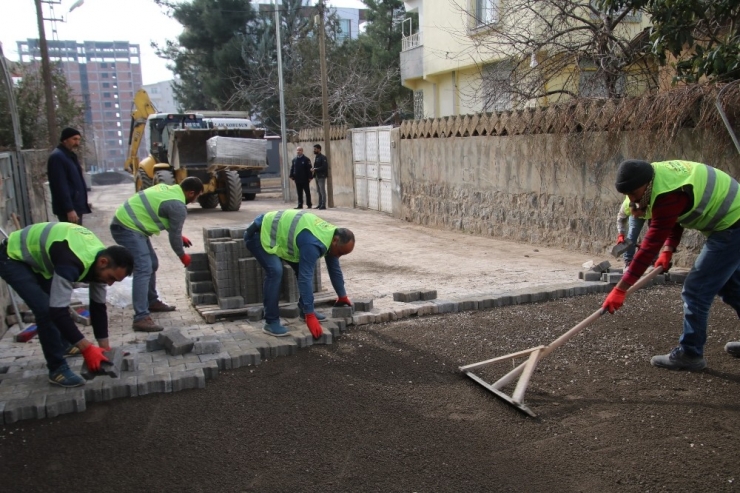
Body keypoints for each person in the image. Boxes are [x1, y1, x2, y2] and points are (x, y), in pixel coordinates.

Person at [602, 159, 740, 371]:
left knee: (696, 290)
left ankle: (690, 353)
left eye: (633, 192)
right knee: (731, 288)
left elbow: (649, 247)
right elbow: (676, 219)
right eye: (627, 194)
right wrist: (667, 250)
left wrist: (621, 288)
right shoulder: (658, 180)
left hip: (732, 226)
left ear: (645, 183)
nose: (631, 199)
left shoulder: (666, 194)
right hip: (731, 222)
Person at [0, 222, 133, 387]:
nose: (110, 284)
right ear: (103, 262)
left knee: (56, 303)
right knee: (46, 311)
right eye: (111, 278)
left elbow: (98, 307)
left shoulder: (100, 264)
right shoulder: (71, 261)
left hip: (42, 259)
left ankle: (65, 345)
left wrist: (105, 349)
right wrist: (86, 348)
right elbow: (57, 311)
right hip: (13, 257)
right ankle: (57, 369)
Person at [109, 177, 203, 332]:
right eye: (196, 196)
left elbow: (160, 212)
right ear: (191, 192)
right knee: (143, 267)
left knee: (152, 263)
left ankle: (151, 301)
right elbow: (173, 237)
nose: (194, 201)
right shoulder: (178, 205)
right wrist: (182, 255)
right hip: (127, 227)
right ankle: (141, 318)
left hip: (131, 224)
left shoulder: (169, 190)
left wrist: (178, 236)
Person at [244, 210, 355, 338]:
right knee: (275, 271)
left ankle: (303, 309)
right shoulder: (313, 242)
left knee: (304, 268)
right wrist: (310, 315)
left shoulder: (331, 237)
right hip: (258, 234)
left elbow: (334, 268)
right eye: (340, 252)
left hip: (278, 236)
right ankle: (271, 322)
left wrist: (342, 296)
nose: (338, 256)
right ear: (336, 240)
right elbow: (305, 278)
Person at [47, 127, 92, 225]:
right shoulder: (58, 157)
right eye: (74, 139)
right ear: (65, 140)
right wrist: (69, 209)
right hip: (70, 210)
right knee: (71, 238)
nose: (77, 143)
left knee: (76, 237)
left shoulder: (69, 156)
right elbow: (60, 186)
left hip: (76, 206)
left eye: (79, 139)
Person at [615, 197, 646, 268]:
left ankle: (653, 259)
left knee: (654, 238)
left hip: (651, 213)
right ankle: (628, 260)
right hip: (642, 211)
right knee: (632, 234)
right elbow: (621, 219)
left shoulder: (653, 206)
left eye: (636, 214)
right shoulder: (626, 205)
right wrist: (621, 234)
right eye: (633, 214)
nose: (634, 217)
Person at [312, 144, 328, 210]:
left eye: (315, 149)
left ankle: (323, 205)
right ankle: (320, 204)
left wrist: (316, 169)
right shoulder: (317, 157)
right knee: (318, 191)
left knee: (322, 191)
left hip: (321, 176)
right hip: (317, 176)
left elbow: (324, 167)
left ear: (319, 149)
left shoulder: (323, 157)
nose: (314, 150)